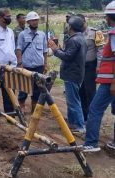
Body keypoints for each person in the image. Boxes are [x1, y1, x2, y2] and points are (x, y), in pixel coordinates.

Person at [83, 1, 115, 152]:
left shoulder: (114, 33)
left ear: (109, 17)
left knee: (95, 109)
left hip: (110, 81)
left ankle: (91, 143)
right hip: (111, 80)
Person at [49, 16, 87, 133]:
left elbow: (67, 57)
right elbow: (70, 54)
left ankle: (80, 126)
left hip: (72, 74)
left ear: (71, 26)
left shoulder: (73, 40)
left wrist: (55, 50)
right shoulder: (80, 38)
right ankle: (72, 123)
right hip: (77, 73)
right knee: (72, 100)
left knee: (73, 101)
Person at [16, 11, 48, 113]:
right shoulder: (22, 34)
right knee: (23, 89)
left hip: (39, 66)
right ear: (28, 22)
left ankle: (34, 110)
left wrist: (45, 64)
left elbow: (45, 51)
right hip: (26, 66)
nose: (35, 22)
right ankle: (21, 107)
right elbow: (19, 49)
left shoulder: (42, 35)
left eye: (36, 20)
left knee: (37, 90)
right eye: (33, 20)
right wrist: (20, 63)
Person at [76, 14, 105, 121]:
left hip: (90, 67)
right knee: (81, 92)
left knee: (90, 92)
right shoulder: (75, 33)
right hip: (79, 67)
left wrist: (98, 67)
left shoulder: (95, 32)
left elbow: (100, 51)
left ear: (84, 21)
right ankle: (83, 116)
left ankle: (92, 117)